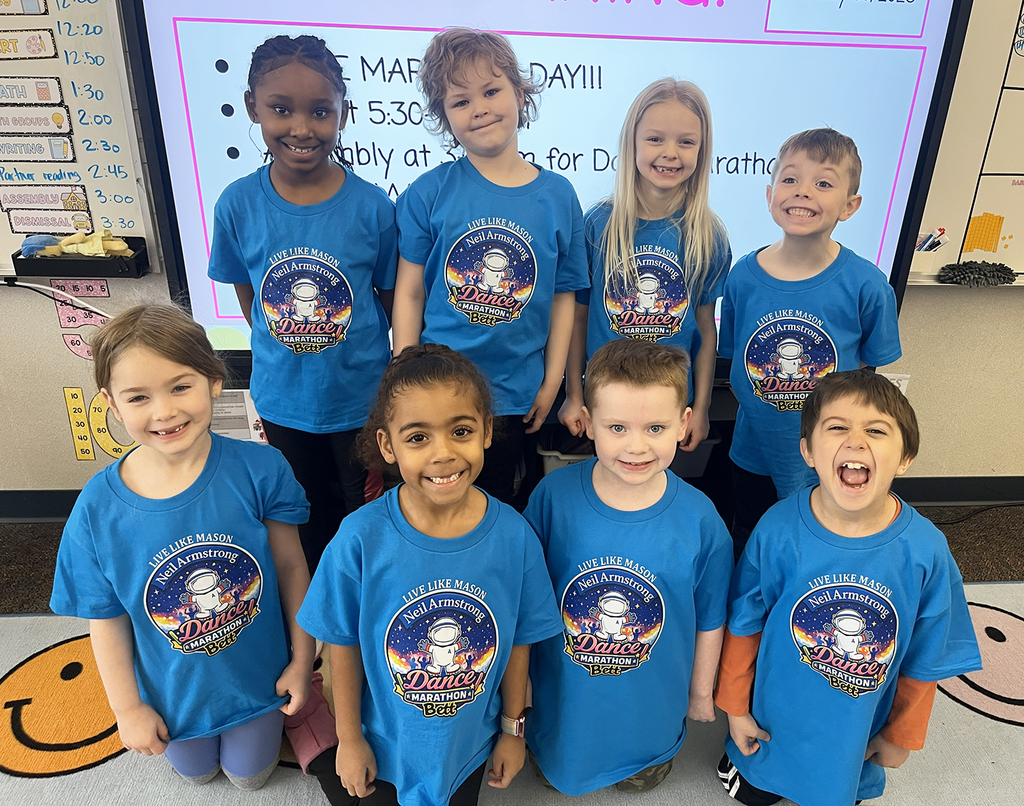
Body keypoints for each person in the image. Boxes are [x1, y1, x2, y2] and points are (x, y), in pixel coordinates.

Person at [50, 305, 314, 790]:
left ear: (214, 380)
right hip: (173, 697)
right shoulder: (96, 508)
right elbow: (105, 619)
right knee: (196, 775)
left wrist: (303, 660)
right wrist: (128, 709)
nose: (164, 411)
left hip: (260, 682)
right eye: (138, 396)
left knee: (249, 777)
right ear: (111, 402)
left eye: (180, 386)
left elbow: (292, 567)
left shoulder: (263, 469)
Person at [297, 344, 564, 806]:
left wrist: (513, 731)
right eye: (418, 437)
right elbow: (339, 643)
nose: (443, 453)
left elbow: (521, 639)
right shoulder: (359, 536)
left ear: (485, 432)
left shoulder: (515, 536)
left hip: (468, 745)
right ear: (388, 446)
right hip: (380, 740)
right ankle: (313, 740)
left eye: (460, 430)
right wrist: (350, 740)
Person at [713, 369, 982, 806]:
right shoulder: (778, 528)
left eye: (876, 430)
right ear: (808, 451)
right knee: (749, 793)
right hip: (770, 724)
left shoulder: (926, 550)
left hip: (857, 731)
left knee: (839, 790)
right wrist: (735, 710)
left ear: (905, 458)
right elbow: (744, 625)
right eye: (837, 427)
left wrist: (901, 736)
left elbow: (927, 657)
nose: (855, 442)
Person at [207, 34, 397, 573]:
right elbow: (249, 295)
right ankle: (316, 619)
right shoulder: (238, 204)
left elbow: (385, 299)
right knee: (302, 511)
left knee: (363, 513)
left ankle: (363, 604)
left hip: (360, 403)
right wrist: (289, 342)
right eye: (280, 109)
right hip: (282, 401)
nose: (301, 127)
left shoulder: (372, 207)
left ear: (343, 113)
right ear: (252, 108)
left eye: (320, 111)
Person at [525, 339, 733, 794]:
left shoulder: (701, 519)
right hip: (564, 707)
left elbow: (711, 618)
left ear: (683, 425)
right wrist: (518, 690)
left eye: (655, 427)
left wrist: (700, 693)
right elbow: (526, 601)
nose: (636, 446)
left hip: (651, 712)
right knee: (553, 775)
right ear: (588, 423)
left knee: (643, 781)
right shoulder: (551, 498)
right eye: (617, 427)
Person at [392, 27, 589, 505]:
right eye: (460, 102)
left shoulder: (558, 196)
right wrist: (403, 377)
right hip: (443, 390)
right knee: (441, 503)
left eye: (492, 90)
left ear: (520, 94)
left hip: (517, 394)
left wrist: (553, 382)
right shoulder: (428, 192)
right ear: (444, 117)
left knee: (502, 502)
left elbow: (566, 296)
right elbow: (410, 292)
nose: (479, 108)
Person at [718, 128, 902, 558]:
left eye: (823, 183)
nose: (802, 193)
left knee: (823, 543)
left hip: (830, 455)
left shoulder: (868, 285)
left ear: (850, 206)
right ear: (769, 194)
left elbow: (867, 381)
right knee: (752, 540)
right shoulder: (743, 276)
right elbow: (736, 359)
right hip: (753, 449)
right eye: (790, 179)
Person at [559, 79, 731, 461]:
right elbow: (578, 318)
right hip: (606, 403)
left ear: (702, 151)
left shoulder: (708, 236)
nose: (670, 153)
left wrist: (700, 408)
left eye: (686, 142)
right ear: (632, 143)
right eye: (655, 139)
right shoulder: (597, 226)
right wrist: (573, 394)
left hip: (668, 408)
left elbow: (705, 329)